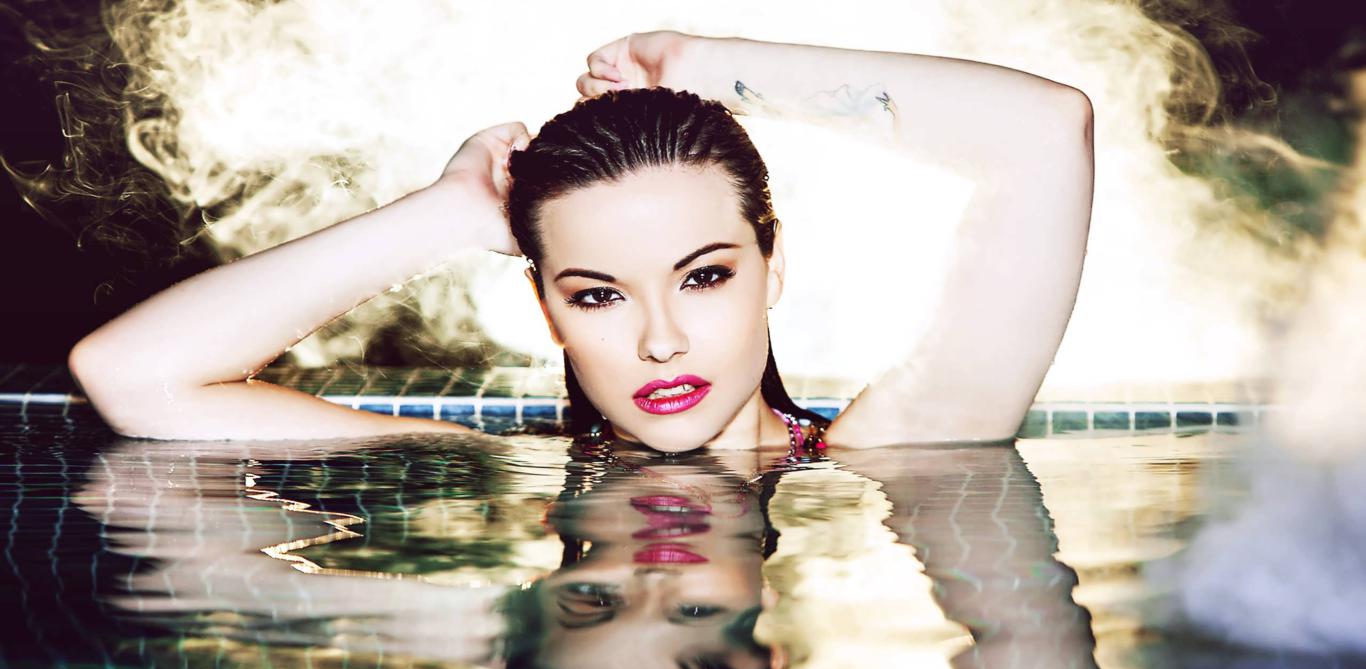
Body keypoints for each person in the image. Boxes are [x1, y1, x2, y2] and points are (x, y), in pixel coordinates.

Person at [67, 30, 1094, 455]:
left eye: (705, 276)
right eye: (598, 293)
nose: (660, 342)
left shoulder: (903, 451)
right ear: (546, 306)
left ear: (773, 267)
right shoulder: (485, 466)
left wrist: (707, 65)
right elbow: (130, 376)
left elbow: (1049, 131)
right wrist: (446, 212)